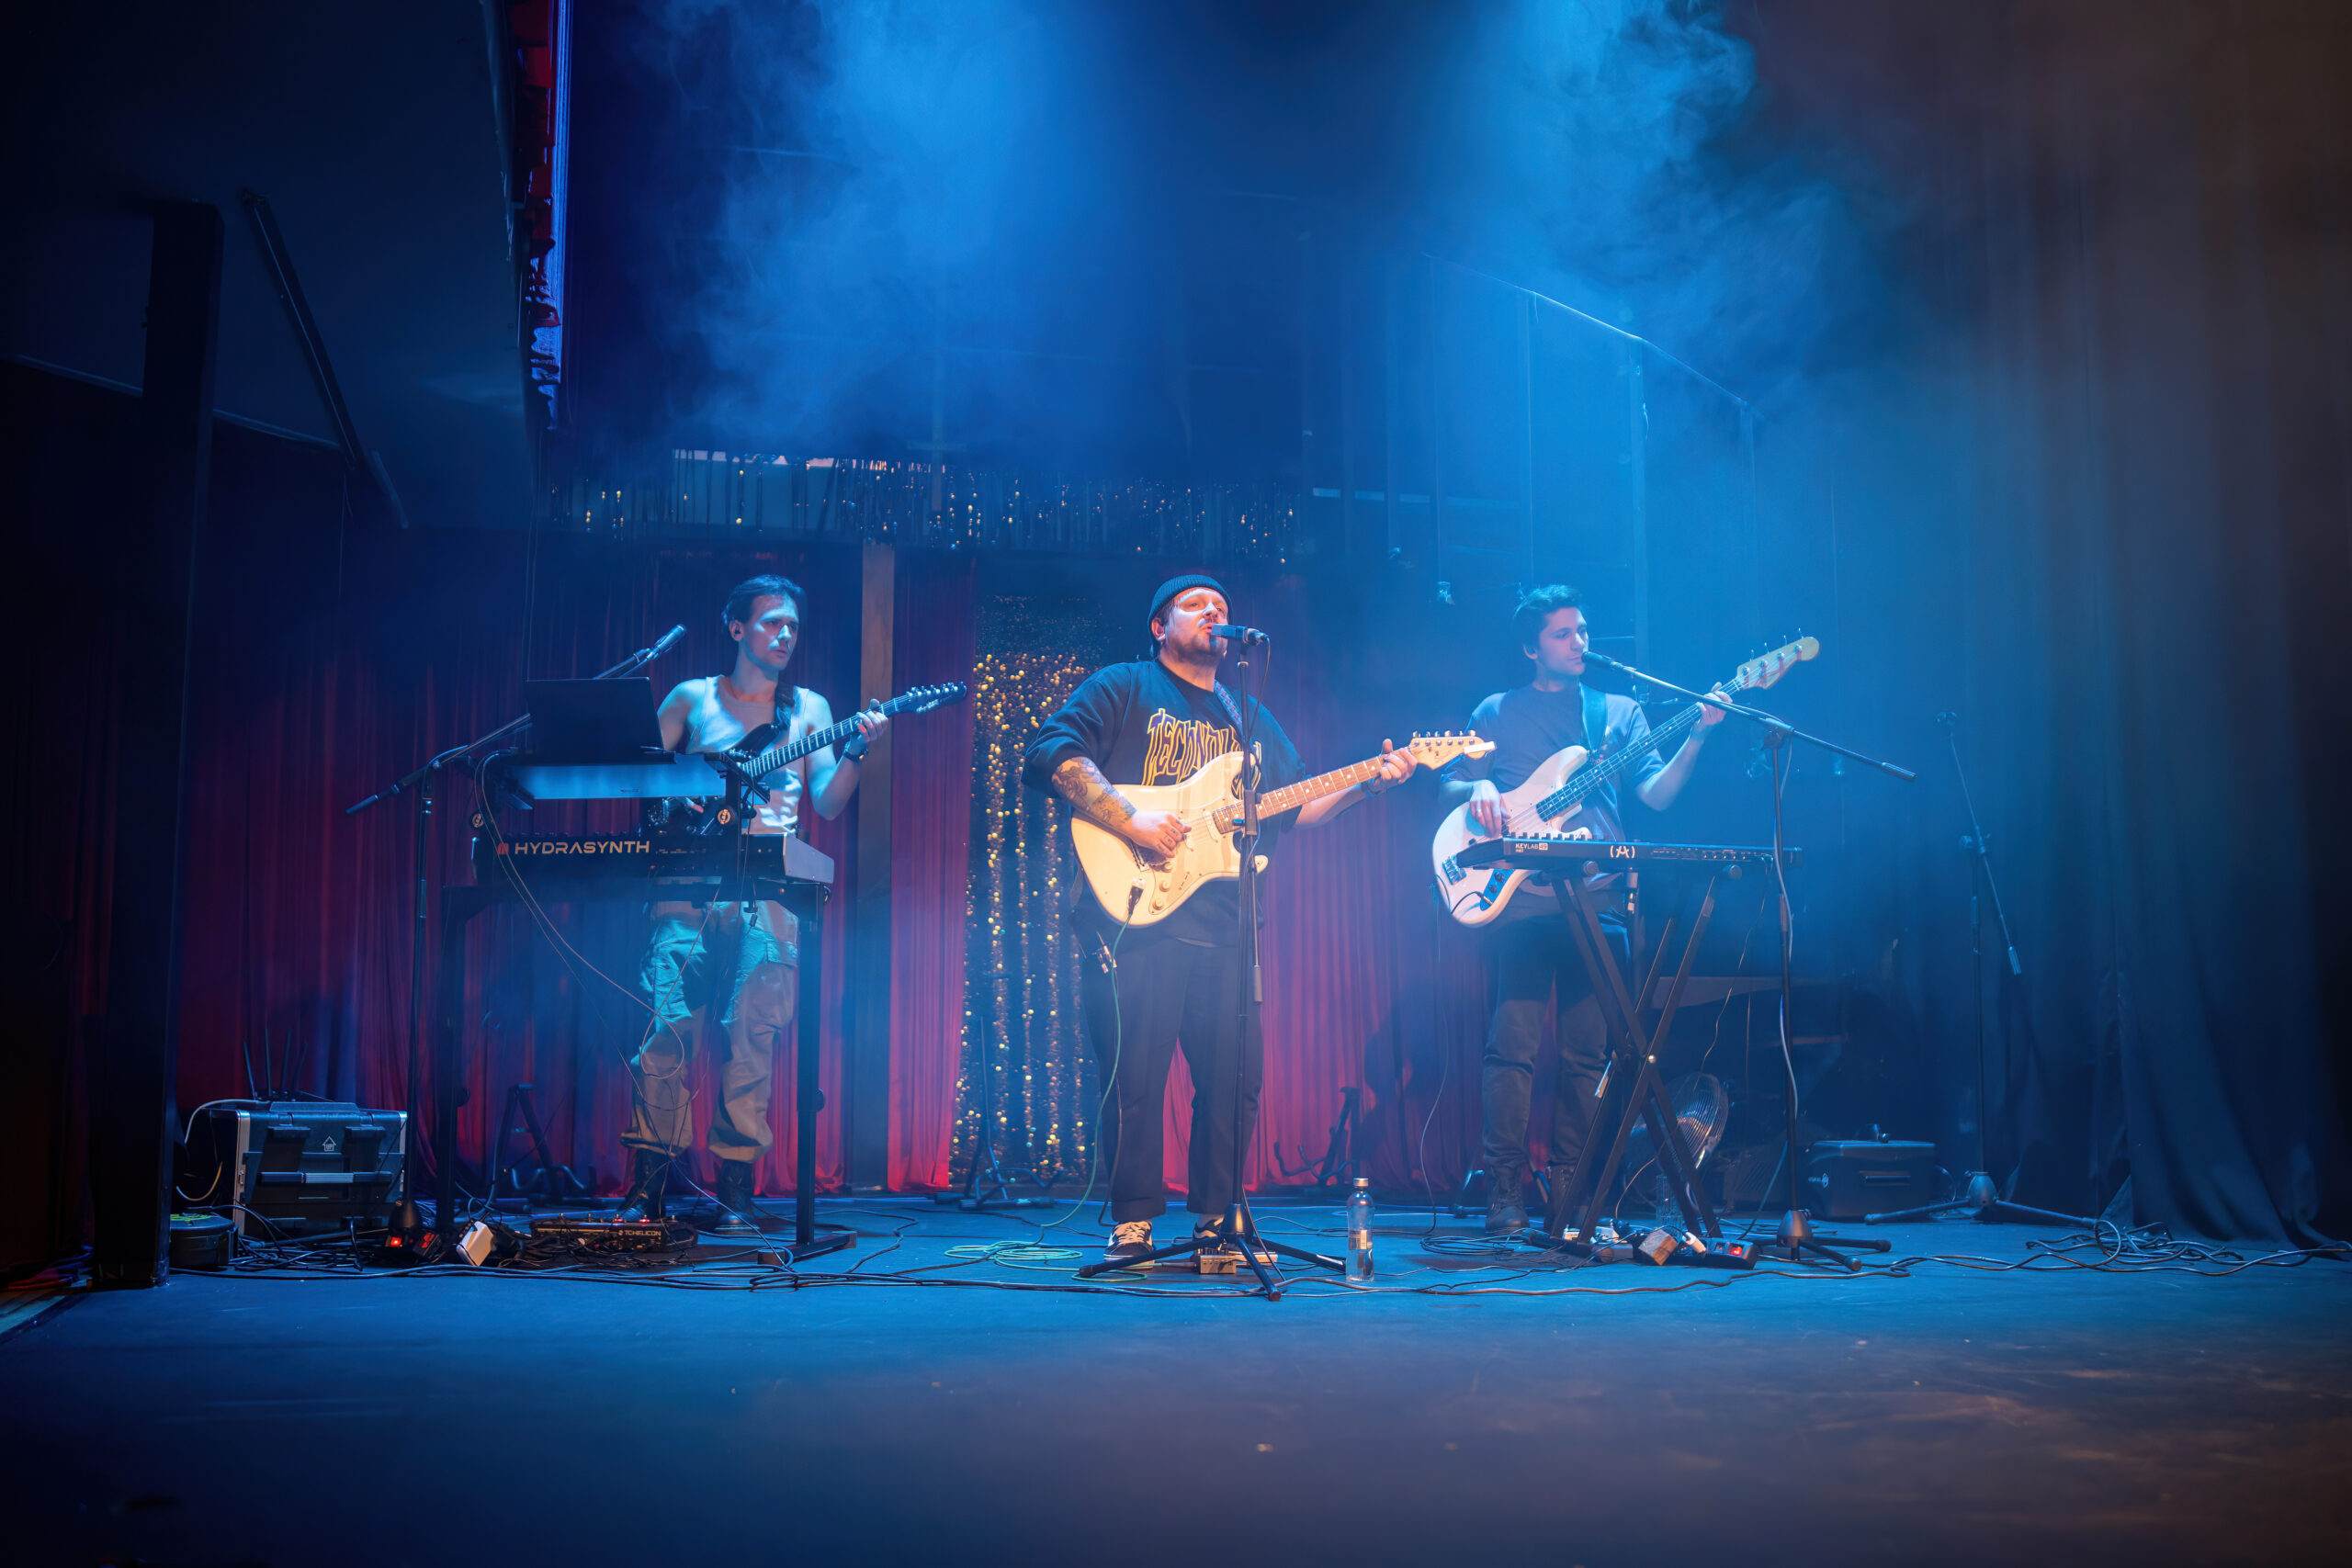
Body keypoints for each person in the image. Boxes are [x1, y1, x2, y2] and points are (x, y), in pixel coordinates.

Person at [1021, 575, 1417, 1268]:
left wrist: (1368, 783)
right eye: (1196, 604)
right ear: (1159, 625)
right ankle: (1133, 1225)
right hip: (1136, 916)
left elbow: (1297, 807)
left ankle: (1216, 1220)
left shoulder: (1245, 714)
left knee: (1235, 1083)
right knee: (1135, 1079)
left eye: (1223, 607)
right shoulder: (1124, 685)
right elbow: (1052, 753)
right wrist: (1132, 820)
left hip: (1228, 924)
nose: (1214, 612)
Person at [1437, 584, 1724, 1235]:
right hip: (1521, 901)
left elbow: (1655, 795)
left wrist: (1698, 737)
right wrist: (1478, 786)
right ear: (1531, 647)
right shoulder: (1496, 710)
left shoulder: (1618, 711)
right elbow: (1446, 782)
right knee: (1511, 1049)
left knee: (1586, 1057)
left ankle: (1570, 1188)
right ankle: (1504, 1188)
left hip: (1598, 898)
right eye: (1563, 633)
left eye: (1584, 631)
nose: (1579, 643)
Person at [614, 573, 887, 1235]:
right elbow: (637, 777)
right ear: (737, 628)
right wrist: (678, 801)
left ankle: (735, 1192)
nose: (785, 635)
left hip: (769, 893)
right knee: (665, 1032)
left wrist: (856, 750)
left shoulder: (810, 708)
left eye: (793, 625)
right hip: (687, 888)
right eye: (771, 622)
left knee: (752, 1041)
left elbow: (827, 802)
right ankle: (649, 1191)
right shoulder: (692, 698)